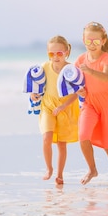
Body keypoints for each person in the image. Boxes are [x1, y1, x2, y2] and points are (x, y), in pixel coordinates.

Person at [74, 21, 108, 185]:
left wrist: (89, 70)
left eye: (96, 41)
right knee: (83, 136)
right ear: (84, 40)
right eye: (88, 41)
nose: (92, 44)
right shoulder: (81, 59)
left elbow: (105, 77)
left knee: (107, 142)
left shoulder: (106, 57)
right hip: (90, 102)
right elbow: (76, 82)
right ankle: (92, 169)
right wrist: (80, 90)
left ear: (103, 41)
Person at [30, 35, 80, 185]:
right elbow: (38, 85)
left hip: (65, 108)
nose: (56, 57)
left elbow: (76, 93)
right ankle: (49, 168)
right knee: (46, 138)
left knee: (61, 144)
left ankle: (60, 175)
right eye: (52, 54)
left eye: (59, 53)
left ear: (66, 52)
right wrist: (34, 94)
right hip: (47, 106)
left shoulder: (71, 70)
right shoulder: (45, 67)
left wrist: (63, 106)